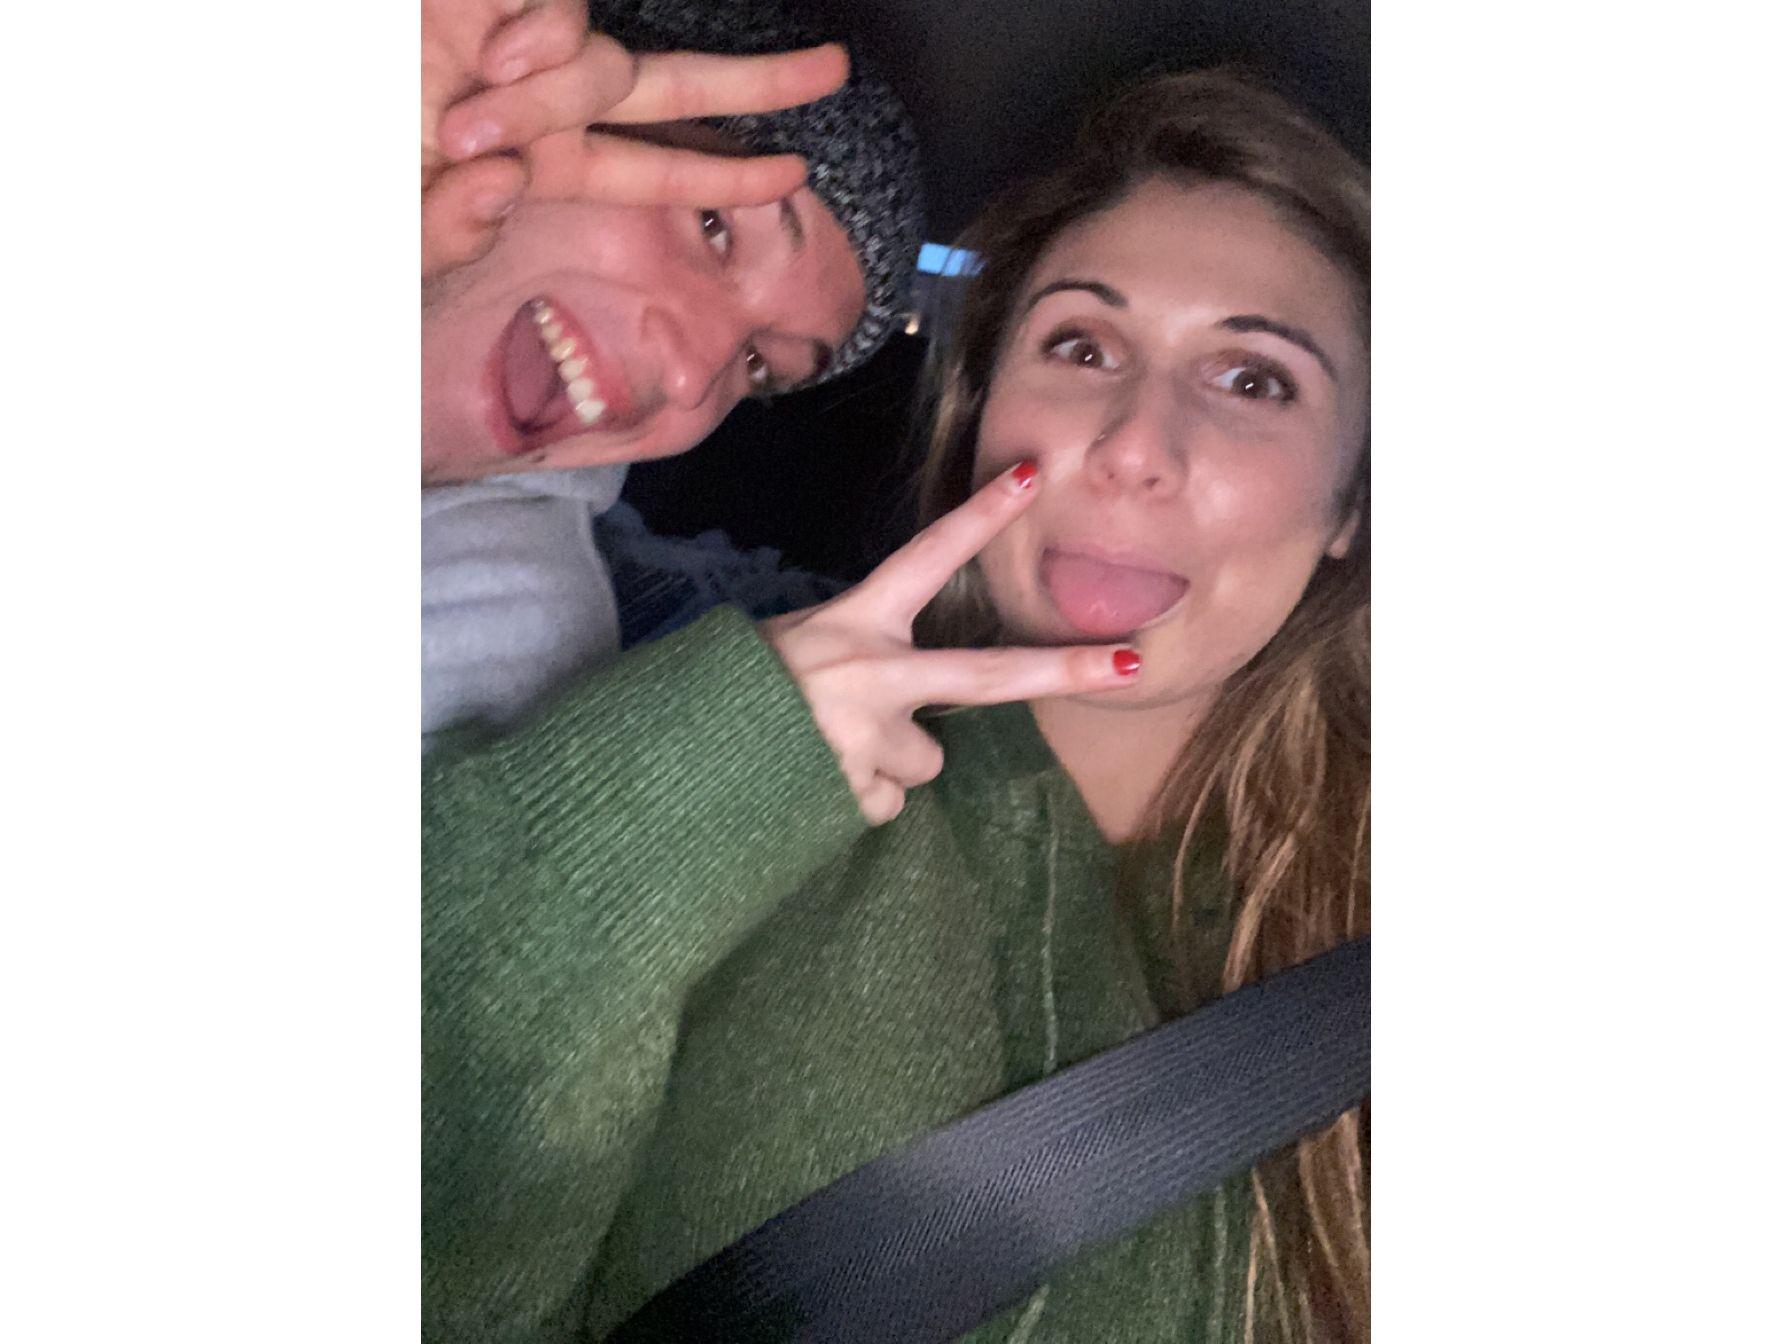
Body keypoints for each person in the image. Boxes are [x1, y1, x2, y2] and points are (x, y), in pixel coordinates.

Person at [422, 70, 1370, 1343]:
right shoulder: (722, 787)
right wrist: (681, 794)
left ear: (1348, 505)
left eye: (1253, 380)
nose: (1137, 444)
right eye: (1081, 348)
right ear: (980, 418)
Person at [421, 0, 924, 736]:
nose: (693, 379)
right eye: (714, 227)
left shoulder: (508, 624)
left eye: (758, 365)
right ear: (544, 96)